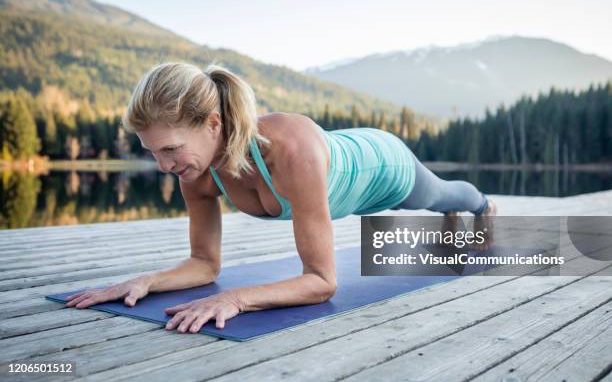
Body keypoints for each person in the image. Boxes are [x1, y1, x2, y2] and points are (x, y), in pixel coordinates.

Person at [65, 62, 496, 333]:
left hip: (380, 165)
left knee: (437, 195)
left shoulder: (289, 149)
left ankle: (480, 205)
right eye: (153, 152)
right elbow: (204, 264)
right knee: (435, 201)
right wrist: (146, 280)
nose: (163, 165)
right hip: (339, 176)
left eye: (171, 149)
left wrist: (235, 298)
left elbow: (322, 282)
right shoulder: (195, 172)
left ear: (213, 123)